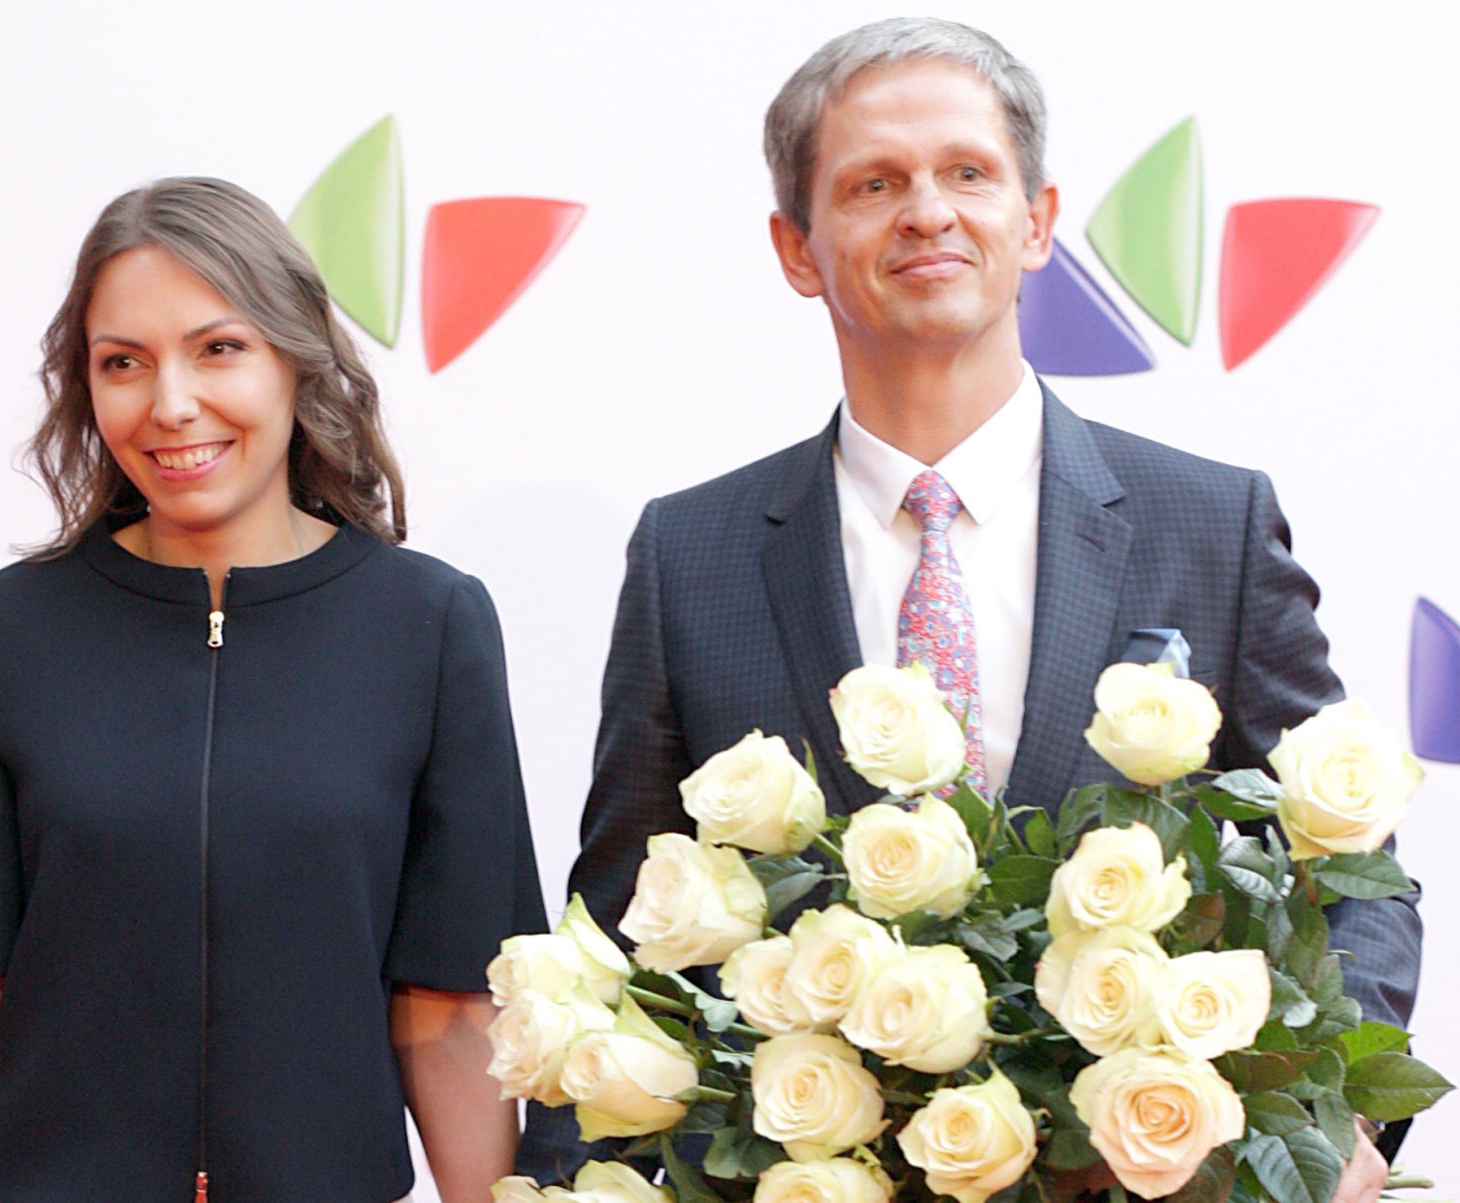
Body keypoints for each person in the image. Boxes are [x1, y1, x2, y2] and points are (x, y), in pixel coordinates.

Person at [516, 17, 1420, 1201]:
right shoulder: (693, 554)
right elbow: (619, 932)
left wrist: (1332, 1123)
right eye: (873, 184)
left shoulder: (1209, 524)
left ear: (1035, 222)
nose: (926, 213)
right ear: (796, 248)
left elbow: (1349, 877)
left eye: (966, 174)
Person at [0, 177, 545, 1203]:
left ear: (295, 357)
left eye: (218, 348)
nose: (170, 404)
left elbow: (447, 1015)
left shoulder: (432, 624)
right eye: (123, 362)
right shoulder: (14, 626)